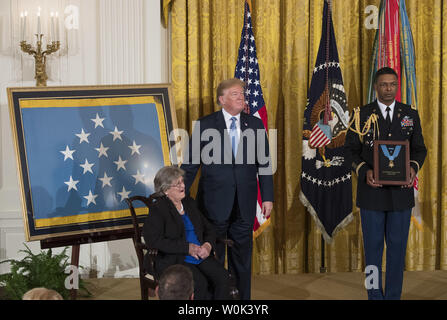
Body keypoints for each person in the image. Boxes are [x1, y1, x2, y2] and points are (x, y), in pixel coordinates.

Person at [180, 78, 274, 300]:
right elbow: (191, 165)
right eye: (234, 94)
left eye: (242, 93)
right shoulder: (205, 125)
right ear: (221, 100)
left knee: (242, 259)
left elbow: (265, 164)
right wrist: (177, 191)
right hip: (213, 205)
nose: (241, 97)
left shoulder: (255, 124)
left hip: (245, 203)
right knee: (213, 258)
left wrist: (268, 197)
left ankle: (242, 303)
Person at [344, 67, 427, 300]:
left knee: (397, 251)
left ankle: (392, 296)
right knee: (372, 250)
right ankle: (374, 295)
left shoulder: (410, 114)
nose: (388, 88)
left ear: (397, 86)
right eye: (383, 84)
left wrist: (412, 167)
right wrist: (364, 171)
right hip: (372, 194)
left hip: (401, 195)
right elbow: (350, 151)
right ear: (376, 87)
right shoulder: (360, 115)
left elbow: (420, 149)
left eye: (392, 84)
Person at [143, 166, 230, 300]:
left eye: (182, 181)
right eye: (178, 184)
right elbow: (153, 240)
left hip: (200, 253)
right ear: (166, 190)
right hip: (176, 257)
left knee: (223, 278)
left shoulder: (189, 203)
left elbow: (209, 229)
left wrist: (207, 245)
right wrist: (187, 248)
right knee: (200, 284)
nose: (183, 185)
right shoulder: (158, 209)